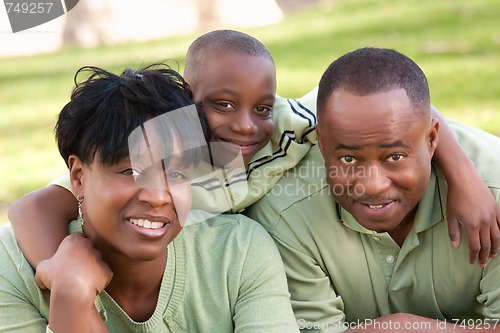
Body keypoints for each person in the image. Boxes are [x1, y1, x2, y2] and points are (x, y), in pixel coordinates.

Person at [7, 30, 500, 269]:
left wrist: (465, 179)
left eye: (260, 107)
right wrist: (59, 266)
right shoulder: (166, 148)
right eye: (221, 105)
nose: (245, 126)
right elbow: (31, 208)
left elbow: (398, 111)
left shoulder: (289, 123)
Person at [0, 65, 300, 332]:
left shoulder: (238, 253)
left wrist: (73, 305)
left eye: (179, 174)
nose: (158, 196)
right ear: (79, 177)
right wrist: (70, 296)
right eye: (131, 170)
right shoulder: (11, 267)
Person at [246, 47, 500, 332]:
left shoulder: (494, 191)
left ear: (432, 141)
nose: (373, 185)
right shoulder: (285, 215)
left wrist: (403, 328)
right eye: (348, 159)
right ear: (322, 143)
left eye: (395, 157)